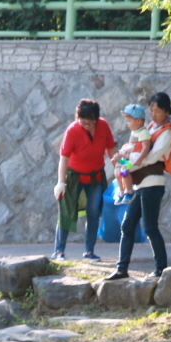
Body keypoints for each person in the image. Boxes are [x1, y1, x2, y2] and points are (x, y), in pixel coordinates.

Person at [103, 92, 171, 282]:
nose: (154, 114)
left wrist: (128, 162)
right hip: (139, 184)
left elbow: (152, 157)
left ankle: (161, 269)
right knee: (127, 225)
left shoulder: (167, 132)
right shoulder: (150, 128)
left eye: (158, 110)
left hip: (153, 183)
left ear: (167, 111)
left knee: (150, 227)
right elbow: (134, 146)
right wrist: (125, 155)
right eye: (151, 109)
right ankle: (122, 270)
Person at [52, 98, 116, 261]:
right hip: (74, 177)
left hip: (95, 177)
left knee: (93, 212)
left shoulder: (103, 126)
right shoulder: (73, 130)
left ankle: (89, 251)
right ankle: (59, 251)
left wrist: (120, 167)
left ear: (96, 119)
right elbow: (64, 157)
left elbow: (111, 150)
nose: (86, 125)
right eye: (83, 122)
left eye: (89, 122)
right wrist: (61, 182)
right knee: (66, 212)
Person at [112, 103, 150, 204]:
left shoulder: (143, 133)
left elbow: (146, 148)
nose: (127, 124)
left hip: (136, 158)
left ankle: (129, 190)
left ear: (138, 121)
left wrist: (140, 159)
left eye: (129, 121)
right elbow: (130, 145)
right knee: (117, 169)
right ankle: (122, 191)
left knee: (124, 170)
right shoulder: (134, 132)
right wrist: (120, 154)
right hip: (130, 156)